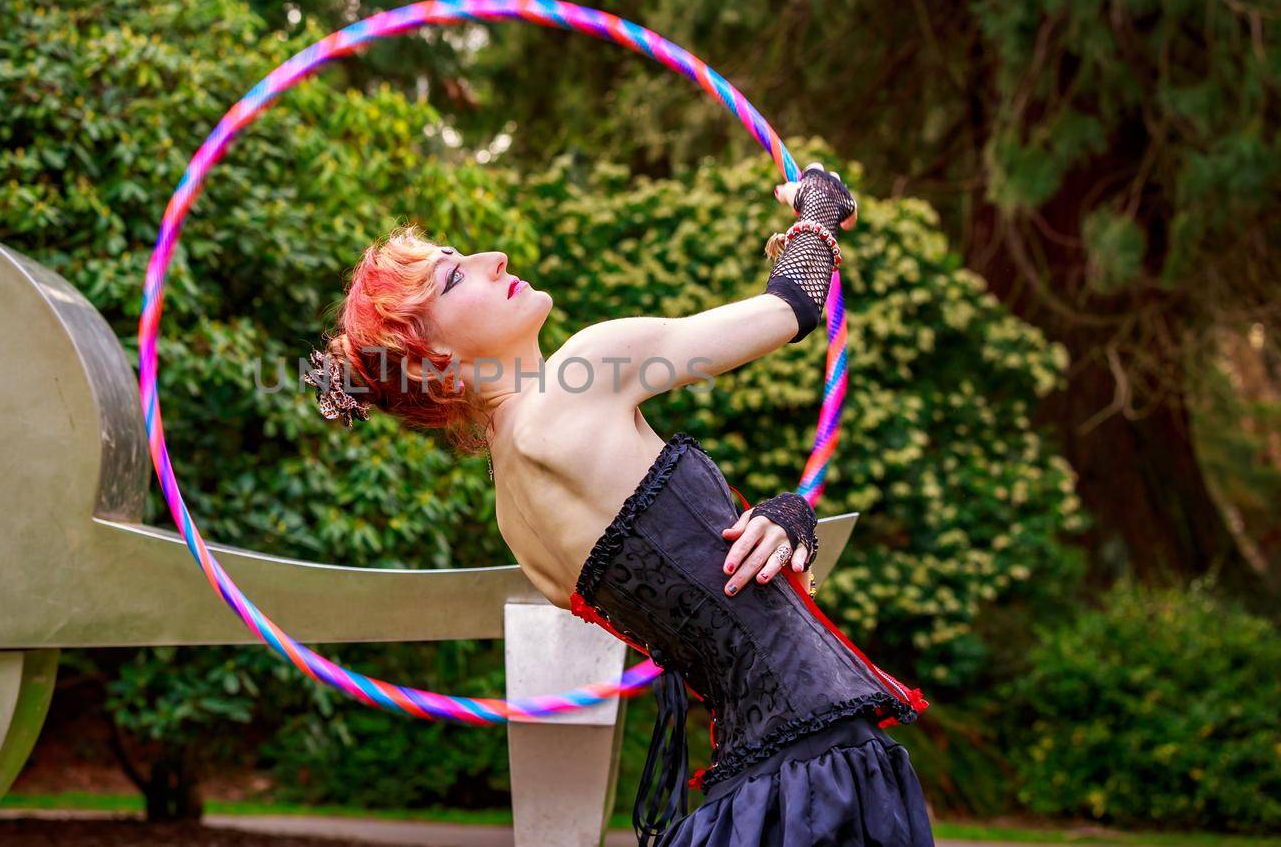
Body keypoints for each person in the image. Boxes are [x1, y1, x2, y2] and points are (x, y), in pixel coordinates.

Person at [303, 162, 933, 846]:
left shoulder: (513, 520)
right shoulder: (585, 376)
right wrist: (822, 206)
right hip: (818, 774)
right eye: (456, 277)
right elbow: (793, 307)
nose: (493, 259)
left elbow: (705, 592)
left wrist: (786, 522)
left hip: (760, 789)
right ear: (430, 362)